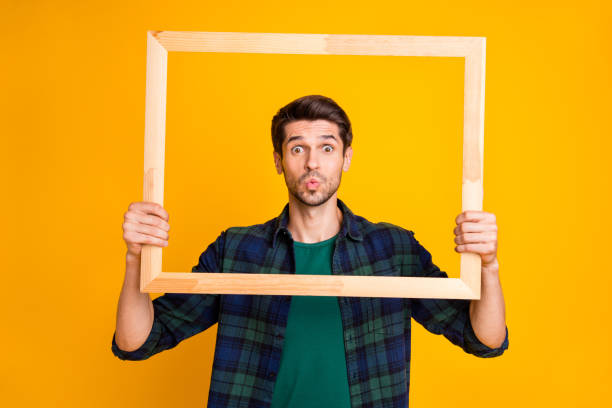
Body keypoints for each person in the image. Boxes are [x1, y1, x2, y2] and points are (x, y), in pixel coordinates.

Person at [112, 94, 509, 408]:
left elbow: (484, 338)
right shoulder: (237, 249)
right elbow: (139, 340)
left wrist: (487, 265)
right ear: (278, 160)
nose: (312, 163)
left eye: (327, 147)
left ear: (347, 157)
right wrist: (135, 258)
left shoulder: (393, 249)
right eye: (298, 148)